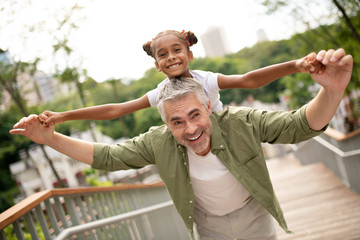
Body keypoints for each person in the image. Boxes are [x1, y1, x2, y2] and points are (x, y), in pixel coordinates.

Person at [10, 48, 353, 239]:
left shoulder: (239, 122)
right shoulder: (159, 142)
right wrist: (50, 138)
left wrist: (332, 90)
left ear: (208, 107)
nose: (190, 129)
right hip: (208, 225)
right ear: (164, 123)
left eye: (194, 116)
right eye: (176, 122)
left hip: (254, 216)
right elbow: (108, 157)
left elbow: (299, 126)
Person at [39, 29, 322, 126]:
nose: (171, 57)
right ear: (157, 65)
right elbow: (117, 109)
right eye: (163, 55)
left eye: (177, 50)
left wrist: (296, 64)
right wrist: (64, 116)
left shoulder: (206, 79)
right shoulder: (161, 92)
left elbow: (248, 79)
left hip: (224, 132)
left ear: (190, 55)